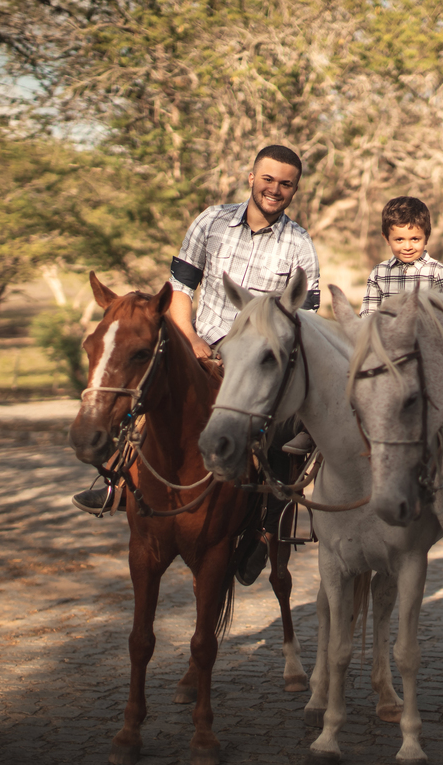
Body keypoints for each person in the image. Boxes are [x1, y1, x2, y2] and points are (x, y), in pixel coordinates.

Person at [73, 144, 320, 585]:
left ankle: (265, 527)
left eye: (286, 184)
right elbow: (181, 289)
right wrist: (190, 339)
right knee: (146, 390)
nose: (275, 189)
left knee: (283, 431)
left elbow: (306, 314)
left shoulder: (299, 242)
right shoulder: (212, 221)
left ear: (295, 189)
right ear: (251, 177)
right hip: (198, 342)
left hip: (256, 356)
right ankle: (115, 482)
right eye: (268, 179)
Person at [360, 196, 443, 316]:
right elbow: (368, 316)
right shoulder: (379, 273)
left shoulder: (438, 272)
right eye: (399, 240)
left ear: (426, 237)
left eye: (415, 239)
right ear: (386, 239)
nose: (407, 247)